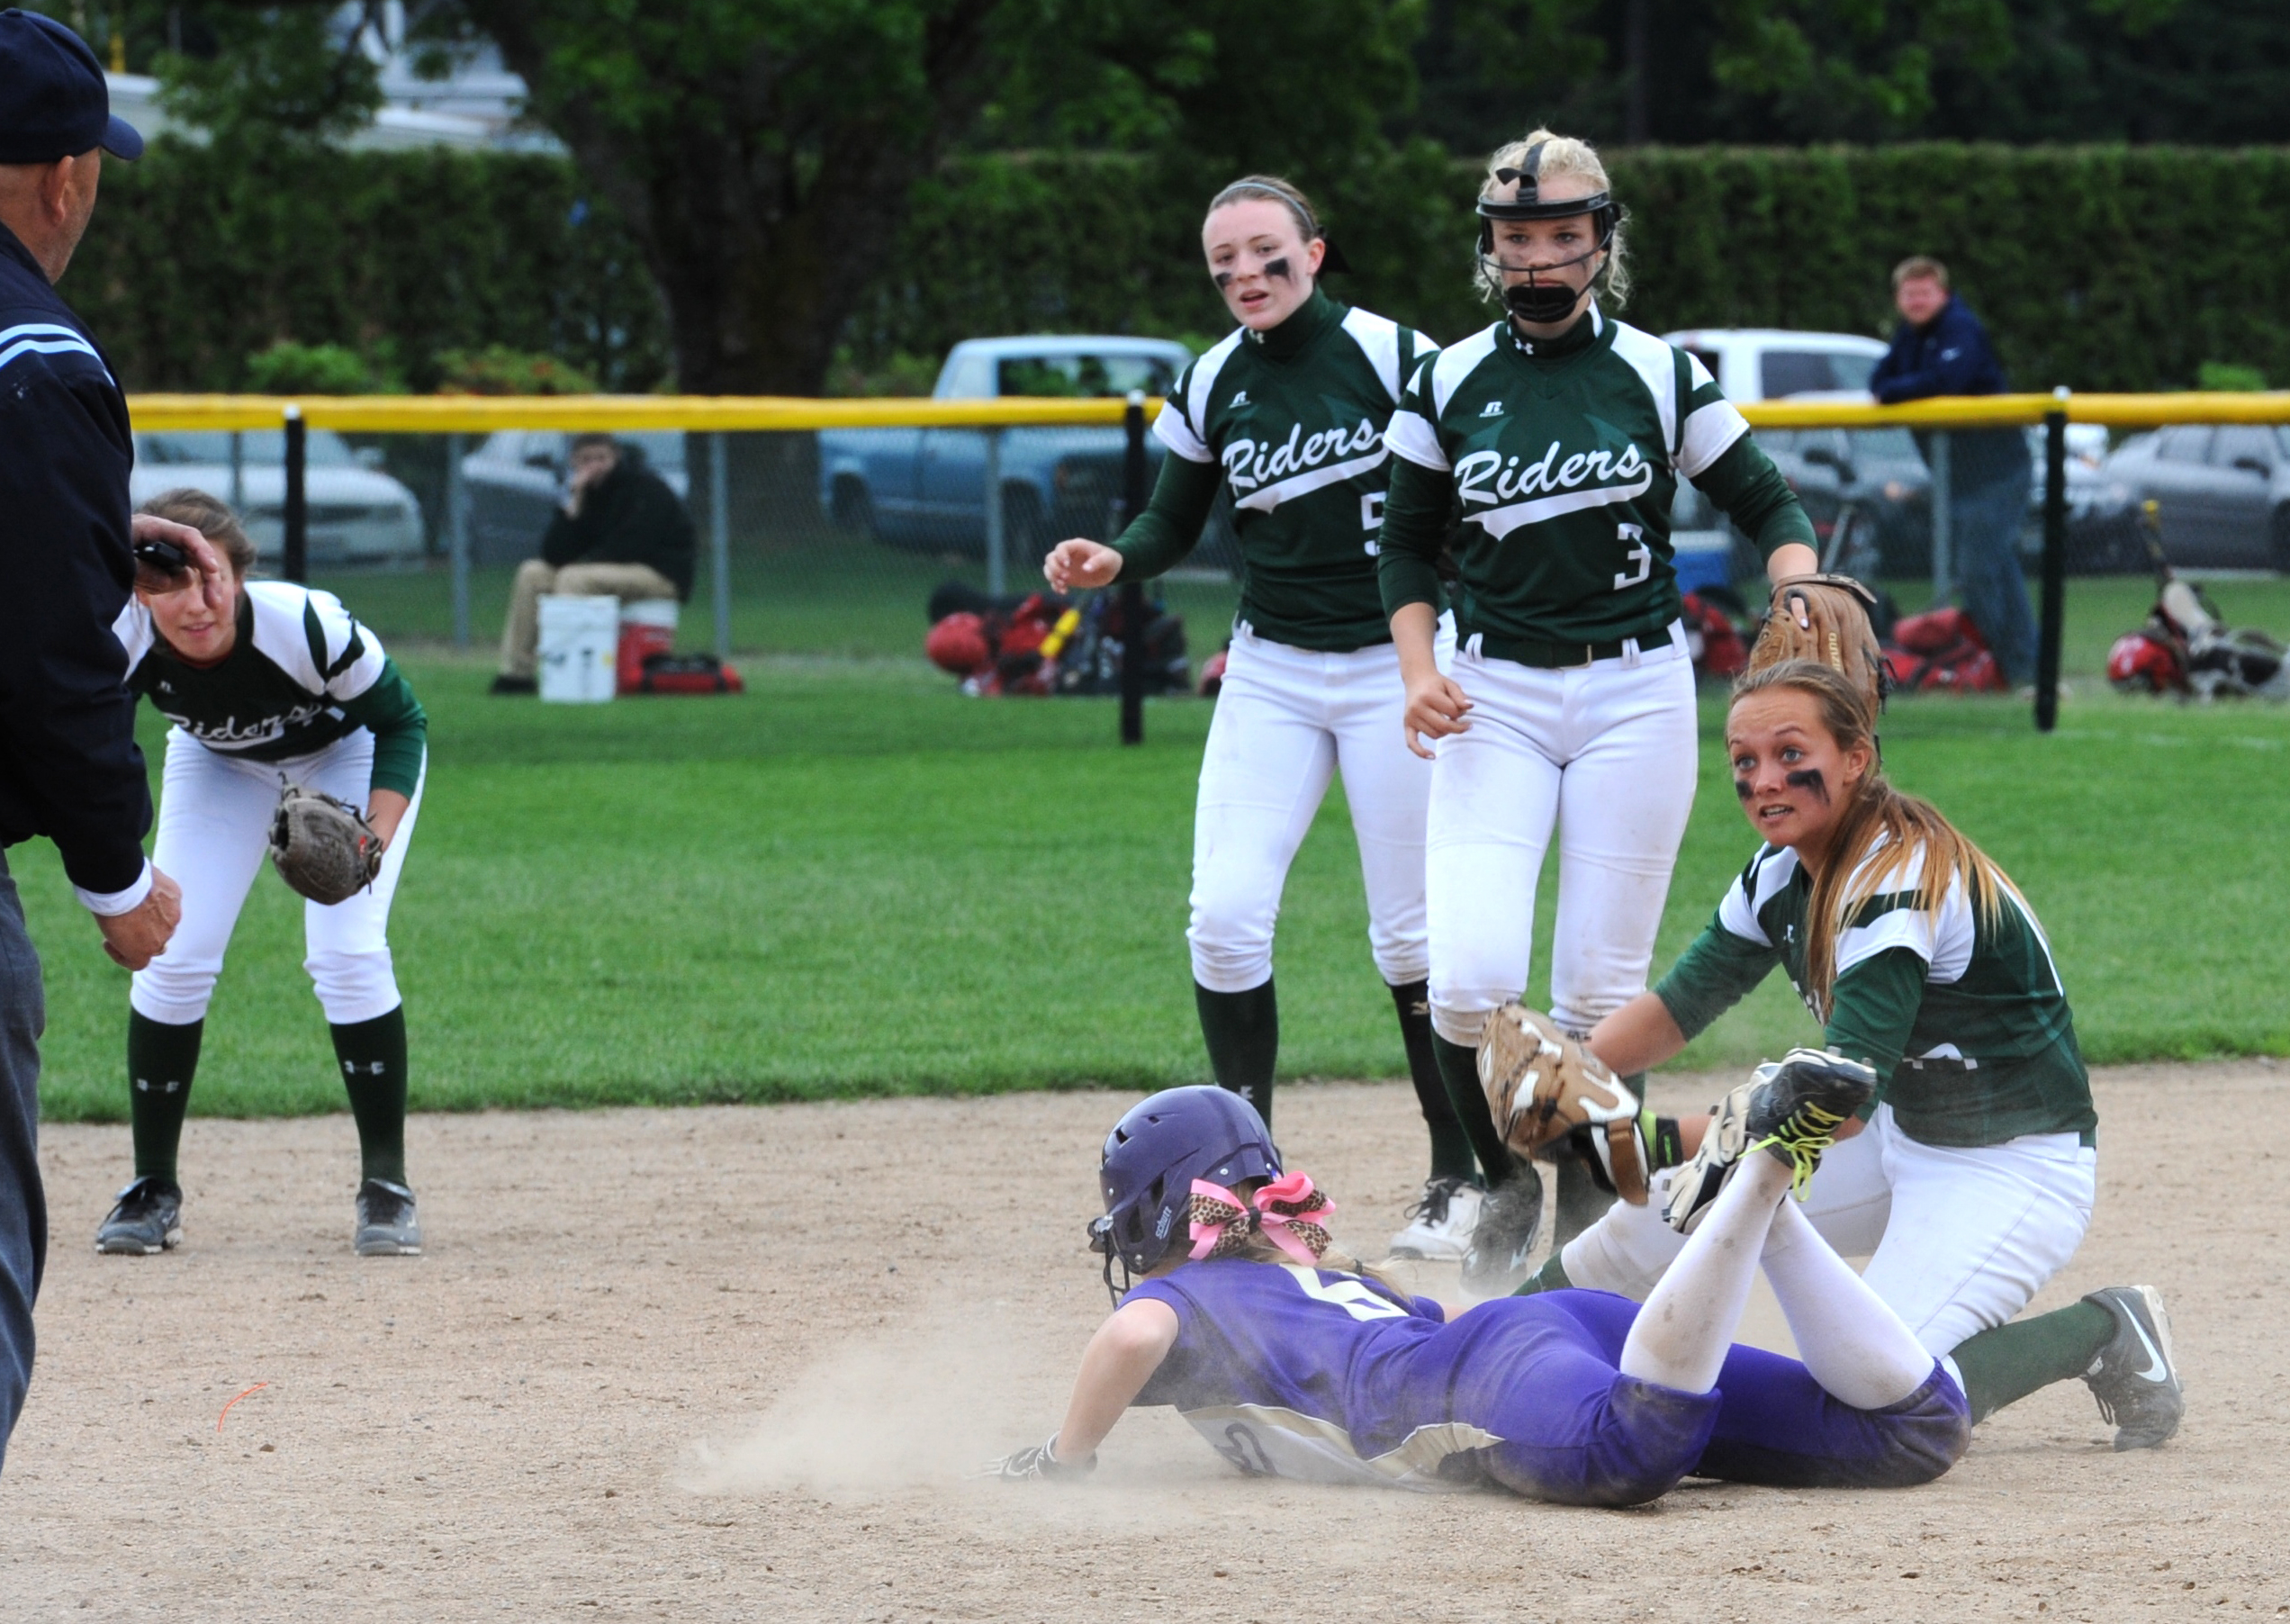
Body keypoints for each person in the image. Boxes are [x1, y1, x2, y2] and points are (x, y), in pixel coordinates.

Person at [1515, 658, 2184, 1451]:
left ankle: (2105, 1330)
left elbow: (1833, 1109)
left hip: (2011, 1169)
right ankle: (1484, 1338)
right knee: (1645, 1221)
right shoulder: (1779, 869)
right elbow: (1677, 1008)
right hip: (1898, 1136)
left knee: (1880, 1401)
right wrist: (1566, 1075)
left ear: (1857, 757)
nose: (1766, 779)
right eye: (1745, 761)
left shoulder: (1896, 881)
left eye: (1792, 755)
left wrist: (1629, 1131)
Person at [1373, 130, 1820, 1286]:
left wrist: (1799, 594)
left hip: (1634, 690)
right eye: (1518, 238)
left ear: (1600, 242)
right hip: (1495, 692)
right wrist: (1419, 667)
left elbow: (1769, 506)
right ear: (1490, 248)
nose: (1539, 260)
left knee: (1596, 994)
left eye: (1563, 236)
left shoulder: (1662, 373)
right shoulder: (1446, 379)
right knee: (1468, 976)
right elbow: (1406, 548)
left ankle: (1578, 1226)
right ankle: (1505, 1175)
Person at [1041, 176, 1479, 1259]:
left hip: (1397, 660)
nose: (1245, 273)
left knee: (1413, 933)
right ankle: (1247, 1185)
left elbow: (1465, 488)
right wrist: (1116, 557)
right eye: (1224, 260)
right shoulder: (1210, 380)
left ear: (1315, 254)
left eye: (1266, 252)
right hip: (1274, 667)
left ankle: (1456, 1172)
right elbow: (1170, 517)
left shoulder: (1394, 357)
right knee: (1225, 920)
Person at [988, 1077, 1969, 1504]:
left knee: (1636, 1448)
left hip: (1475, 1376)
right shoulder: (1317, 1275)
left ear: (1154, 1215)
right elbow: (1455, 1314)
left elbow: (1131, 1338)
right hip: (1540, 1332)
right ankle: (1771, 1204)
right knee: (1908, 1434)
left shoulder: (1189, 1298)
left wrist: (1064, 1457)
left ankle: (1750, 1183)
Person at [0, 9, 235, 1475]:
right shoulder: (35, 353)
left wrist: (111, 578)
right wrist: (114, 871)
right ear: (66, 176)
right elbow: (41, 657)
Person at [95, 490, 431, 1259]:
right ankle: (152, 1187)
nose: (194, 603)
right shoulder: (122, 638)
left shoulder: (304, 624)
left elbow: (402, 721)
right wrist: (119, 877)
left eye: (209, 578)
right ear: (138, 593)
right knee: (172, 953)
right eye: (164, 585)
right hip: (219, 765)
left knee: (346, 952)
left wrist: (370, 842)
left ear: (239, 573)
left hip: (346, 755)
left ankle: (386, 1186)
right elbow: (95, 751)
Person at [1869, 256, 2037, 686]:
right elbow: (1879, 379)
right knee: (1994, 567)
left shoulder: (1961, 326)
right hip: (1962, 480)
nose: (1917, 301)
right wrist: (1897, 388)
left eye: (1925, 292)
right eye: (1909, 294)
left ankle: (2018, 666)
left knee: (1981, 567)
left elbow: (1948, 380)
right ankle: (2018, 666)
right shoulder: (1911, 336)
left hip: (2000, 472)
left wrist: (1898, 390)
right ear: (1898, 300)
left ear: (1942, 294)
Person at [492, 433, 696, 694]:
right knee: (532, 573)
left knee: (574, 578)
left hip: (660, 574)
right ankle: (517, 676)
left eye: (602, 458)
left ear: (616, 458)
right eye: (586, 459)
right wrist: (573, 506)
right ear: (573, 462)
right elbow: (554, 554)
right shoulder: (585, 493)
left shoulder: (644, 487)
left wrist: (580, 565)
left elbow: (631, 548)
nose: (594, 465)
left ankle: (568, 674)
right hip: (609, 570)